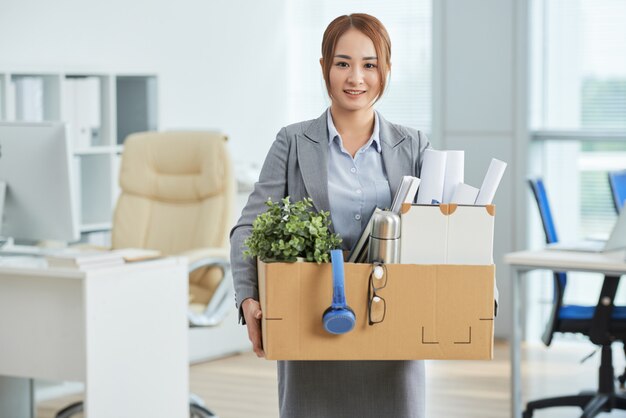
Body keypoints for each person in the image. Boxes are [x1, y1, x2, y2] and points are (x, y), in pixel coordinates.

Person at [230, 13, 430, 418]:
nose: (356, 77)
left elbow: (444, 230)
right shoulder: (292, 142)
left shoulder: (414, 145)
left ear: (386, 70)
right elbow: (247, 226)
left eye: (369, 65)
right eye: (343, 63)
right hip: (314, 327)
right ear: (324, 67)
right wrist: (249, 295)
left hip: (389, 330)